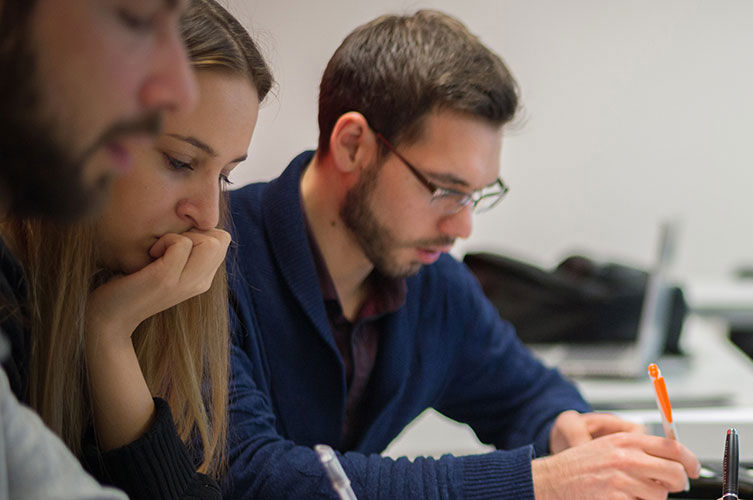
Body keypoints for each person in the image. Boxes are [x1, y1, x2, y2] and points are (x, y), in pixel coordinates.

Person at [224, 10, 699, 499]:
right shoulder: (214, 262)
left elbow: (527, 393)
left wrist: (566, 430)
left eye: (475, 194)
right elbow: (260, 476)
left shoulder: (431, 283)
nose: (463, 226)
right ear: (352, 146)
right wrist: (536, 482)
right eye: (443, 189)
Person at [2, 0, 272, 497]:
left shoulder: (139, 289)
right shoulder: (9, 294)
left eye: (226, 175)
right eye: (180, 161)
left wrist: (108, 333)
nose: (209, 217)